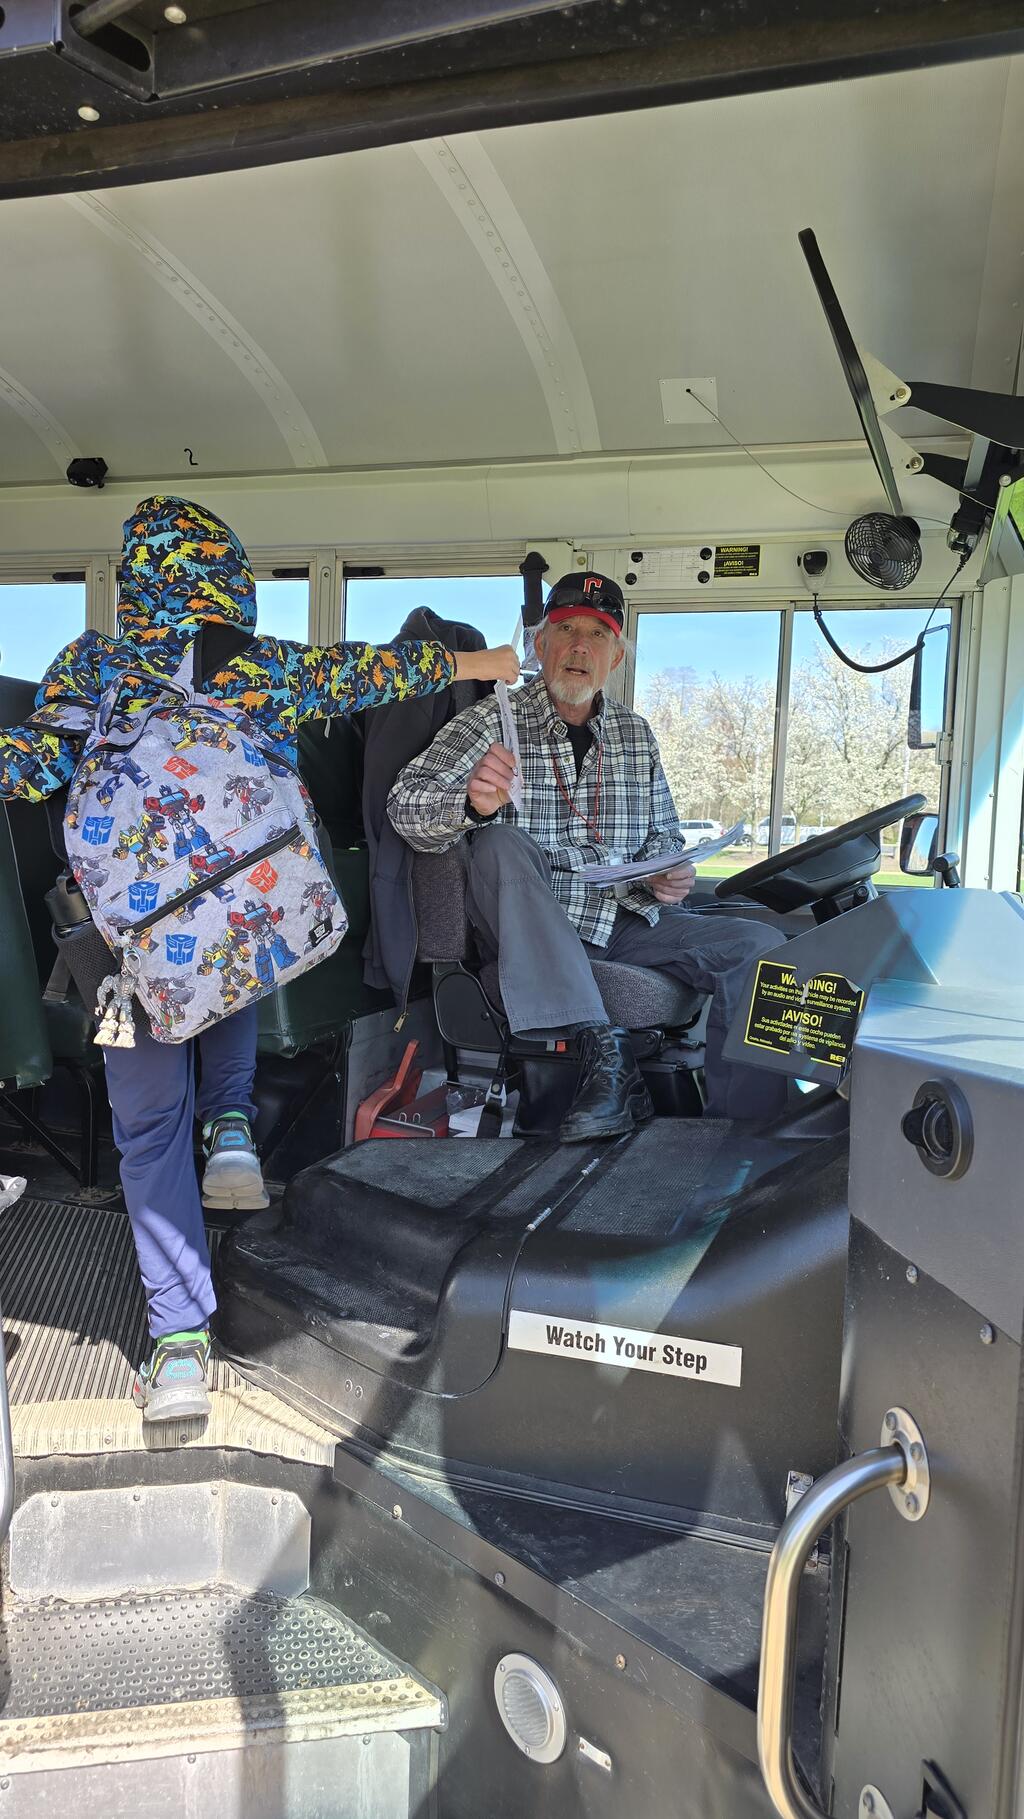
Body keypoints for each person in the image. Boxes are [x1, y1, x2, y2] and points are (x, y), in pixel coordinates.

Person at [0, 496, 518, 1421]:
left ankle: (178, 1351)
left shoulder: (91, 664)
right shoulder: (260, 665)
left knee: (149, 1127)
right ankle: (234, 1124)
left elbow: (31, 768)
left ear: (141, 583)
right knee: (237, 935)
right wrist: (484, 664)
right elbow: (372, 671)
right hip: (242, 923)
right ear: (226, 578)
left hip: (130, 944)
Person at [388, 571, 786, 1140]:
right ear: (540, 644)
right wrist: (470, 804)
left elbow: (663, 838)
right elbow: (404, 806)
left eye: (598, 635)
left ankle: (746, 1139)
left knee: (762, 946)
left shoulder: (635, 734)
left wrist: (670, 874)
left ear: (615, 657)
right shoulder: (490, 721)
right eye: (566, 630)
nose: (580, 647)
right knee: (499, 842)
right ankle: (605, 1057)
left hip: (623, 919)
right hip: (531, 922)